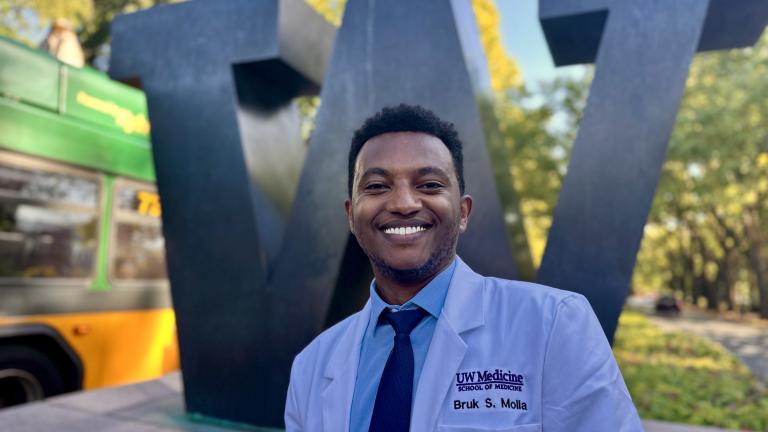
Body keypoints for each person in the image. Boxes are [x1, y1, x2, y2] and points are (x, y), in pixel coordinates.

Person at [284, 104, 643, 431]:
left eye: (429, 184)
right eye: (377, 186)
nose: (404, 203)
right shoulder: (313, 366)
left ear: (464, 213)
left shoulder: (554, 324)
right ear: (351, 214)